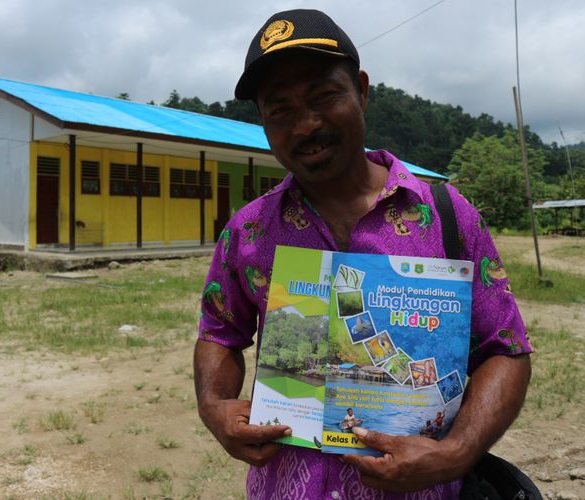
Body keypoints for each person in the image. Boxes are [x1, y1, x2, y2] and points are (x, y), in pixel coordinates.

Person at [193, 8, 532, 498]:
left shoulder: (447, 216)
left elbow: (506, 349)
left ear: (362, 90)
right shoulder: (247, 232)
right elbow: (219, 333)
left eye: (324, 96)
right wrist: (213, 406)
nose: (306, 125)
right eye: (280, 109)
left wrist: (458, 451)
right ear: (264, 122)